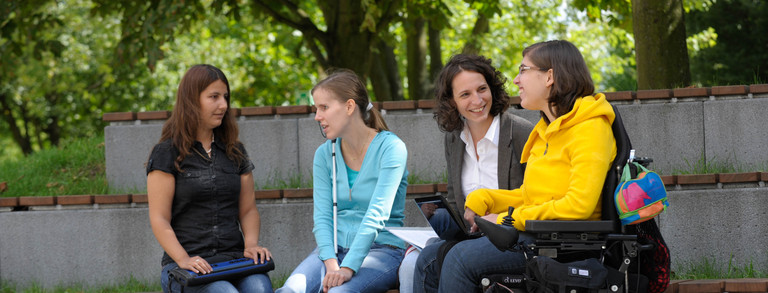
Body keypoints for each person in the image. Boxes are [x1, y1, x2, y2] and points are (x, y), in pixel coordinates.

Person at [420, 40, 618, 292]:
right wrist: (486, 197)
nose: (516, 80)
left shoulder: (590, 128)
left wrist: (507, 219)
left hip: (563, 243)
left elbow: (579, 205)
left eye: (523, 70)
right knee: (428, 259)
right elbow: (529, 196)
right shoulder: (546, 129)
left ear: (549, 77)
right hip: (537, 234)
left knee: (459, 259)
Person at [407, 54, 533, 293]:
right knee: (425, 258)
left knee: (454, 259)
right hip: (473, 236)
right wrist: (440, 216)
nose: (477, 100)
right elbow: (456, 200)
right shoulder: (454, 138)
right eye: (465, 94)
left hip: (513, 235)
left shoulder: (520, 132)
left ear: (492, 89)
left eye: (482, 89)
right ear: (452, 101)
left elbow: (537, 195)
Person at [276, 69, 408, 293]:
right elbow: (322, 217)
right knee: (288, 291)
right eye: (316, 108)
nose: (317, 116)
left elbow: (378, 213)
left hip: (381, 251)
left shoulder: (391, 148)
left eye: (324, 108)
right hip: (332, 252)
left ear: (349, 106)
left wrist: (348, 267)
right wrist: (331, 263)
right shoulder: (324, 154)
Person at [146, 64, 273, 293]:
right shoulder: (166, 153)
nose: (223, 105)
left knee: (260, 288)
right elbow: (159, 219)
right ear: (192, 100)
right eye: (213, 97)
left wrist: (251, 244)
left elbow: (248, 210)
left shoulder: (235, 151)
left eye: (225, 97)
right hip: (187, 267)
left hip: (234, 260)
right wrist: (183, 259)